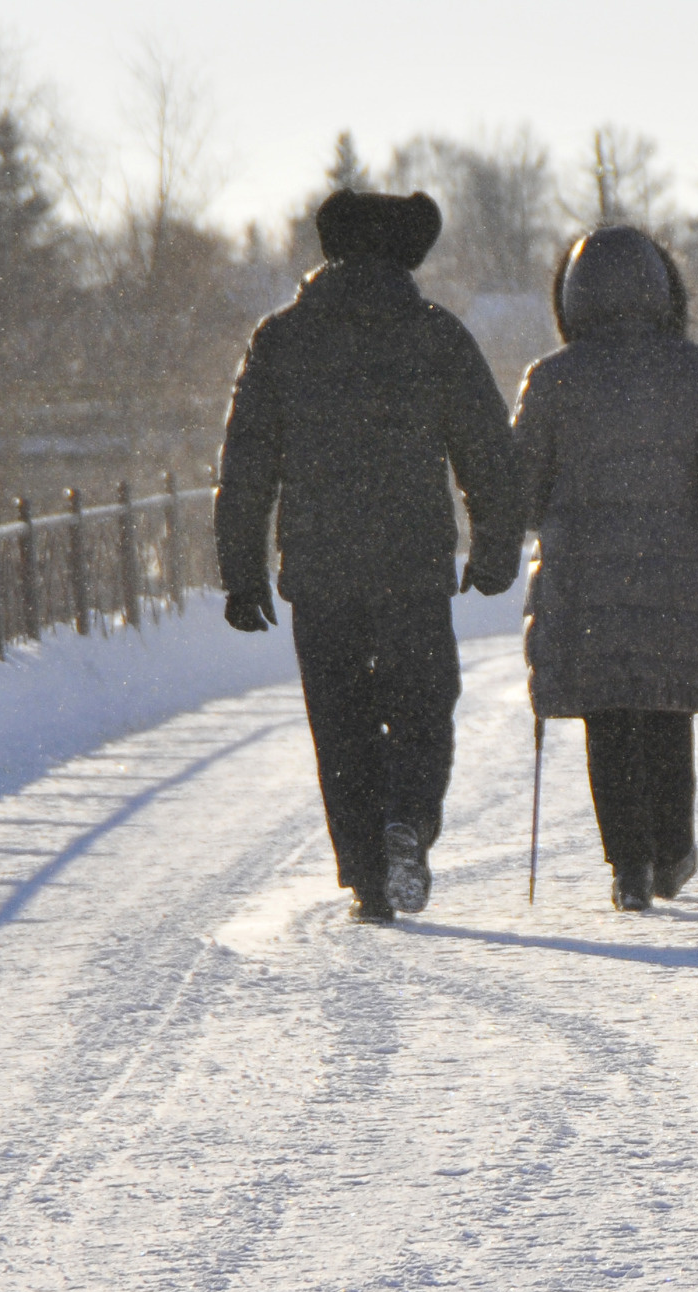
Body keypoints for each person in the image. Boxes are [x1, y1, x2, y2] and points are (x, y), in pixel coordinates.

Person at [215, 188, 522, 923]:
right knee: (423, 708)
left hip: (320, 572)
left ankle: (363, 873)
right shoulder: (435, 336)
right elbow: (486, 451)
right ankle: (408, 824)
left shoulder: (282, 339)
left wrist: (241, 570)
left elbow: (247, 462)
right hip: (413, 566)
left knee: (341, 721)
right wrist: (494, 546)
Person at [515, 225, 698, 912]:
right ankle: (671, 852)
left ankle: (626, 861)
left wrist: (550, 521)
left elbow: (521, 486)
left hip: (583, 576)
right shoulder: (695, 372)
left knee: (608, 717)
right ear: (663, 289)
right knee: (662, 710)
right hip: (675, 572)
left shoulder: (552, 380)